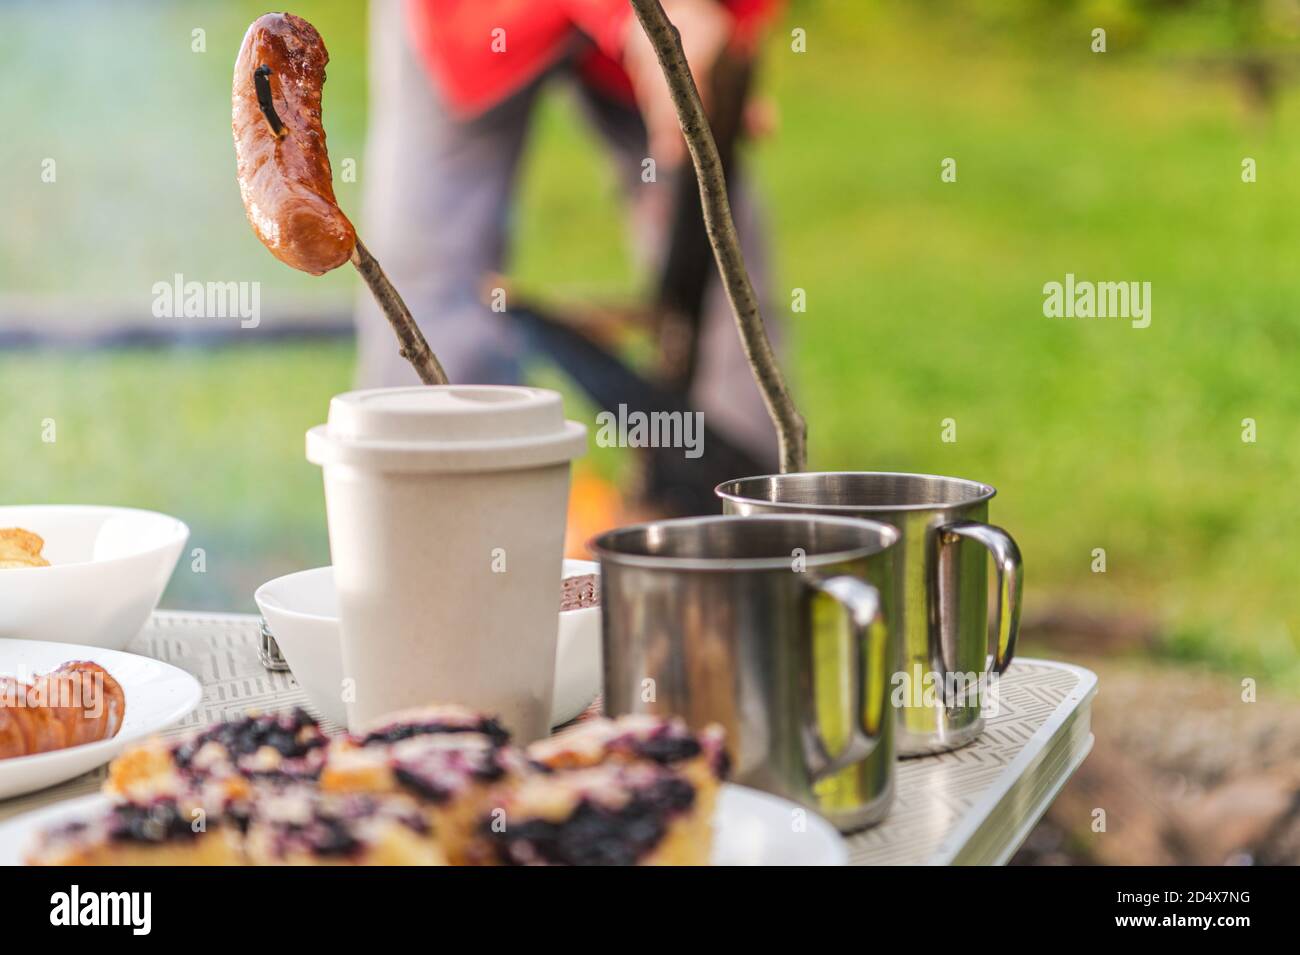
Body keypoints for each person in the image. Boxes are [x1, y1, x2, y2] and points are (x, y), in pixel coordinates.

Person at [356, 0, 782, 467]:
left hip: (671, 18)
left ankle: (741, 508)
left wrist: (725, 40)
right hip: (472, 17)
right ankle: (442, 500)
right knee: (432, 282)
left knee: (724, 260)